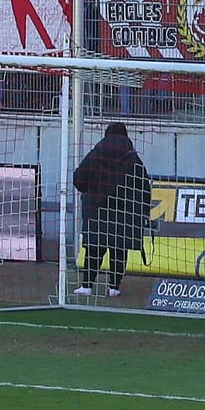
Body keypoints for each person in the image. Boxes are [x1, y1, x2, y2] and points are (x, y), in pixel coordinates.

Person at [70, 121, 152, 296]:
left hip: (96, 209)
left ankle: (87, 285)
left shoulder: (95, 154)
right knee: (119, 249)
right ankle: (114, 287)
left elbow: (79, 177)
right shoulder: (133, 158)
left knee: (94, 247)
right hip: (124, 212)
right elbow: (144, 186)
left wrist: (89, 192)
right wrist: (143, 209)